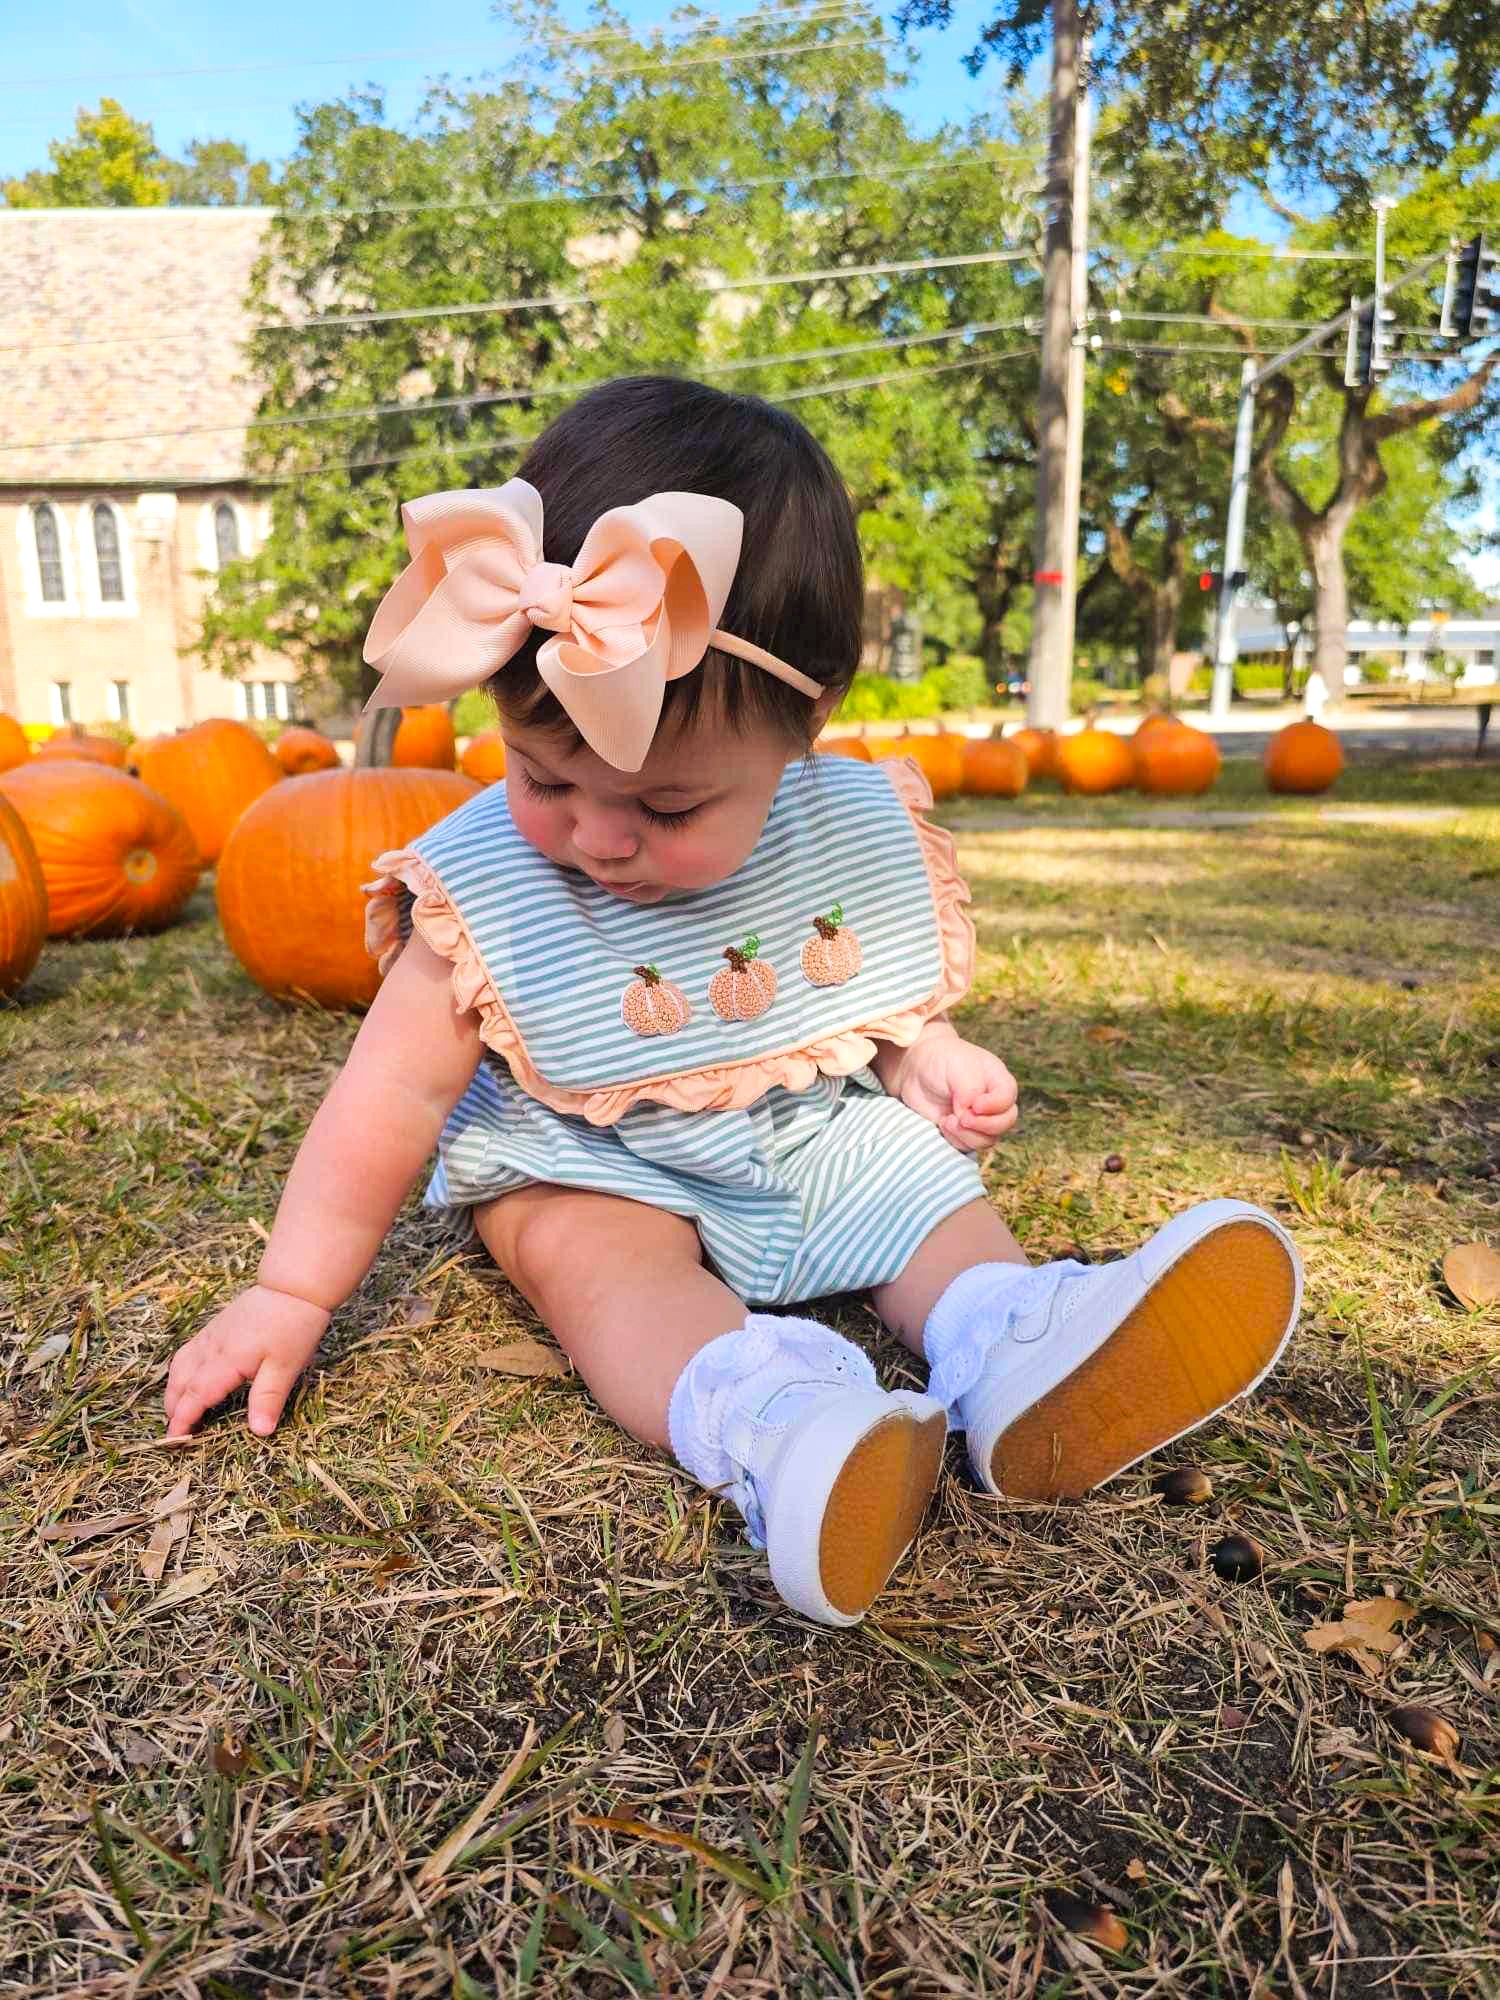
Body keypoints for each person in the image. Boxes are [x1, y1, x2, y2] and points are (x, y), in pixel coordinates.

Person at [165, 376, 1301, 1627]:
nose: (595, 836)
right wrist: (292, 1288)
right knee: (593, 1264)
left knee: (917, 1187)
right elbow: (383, 1103)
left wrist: (924, 1057)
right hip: (584, 1161)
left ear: (806, 720)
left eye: (665, 808)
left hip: (795, 1124)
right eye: (544, 775)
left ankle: (1011, 1331)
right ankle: (777, 1421)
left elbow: (865, 991)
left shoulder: (842, 824)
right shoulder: (483, 890)